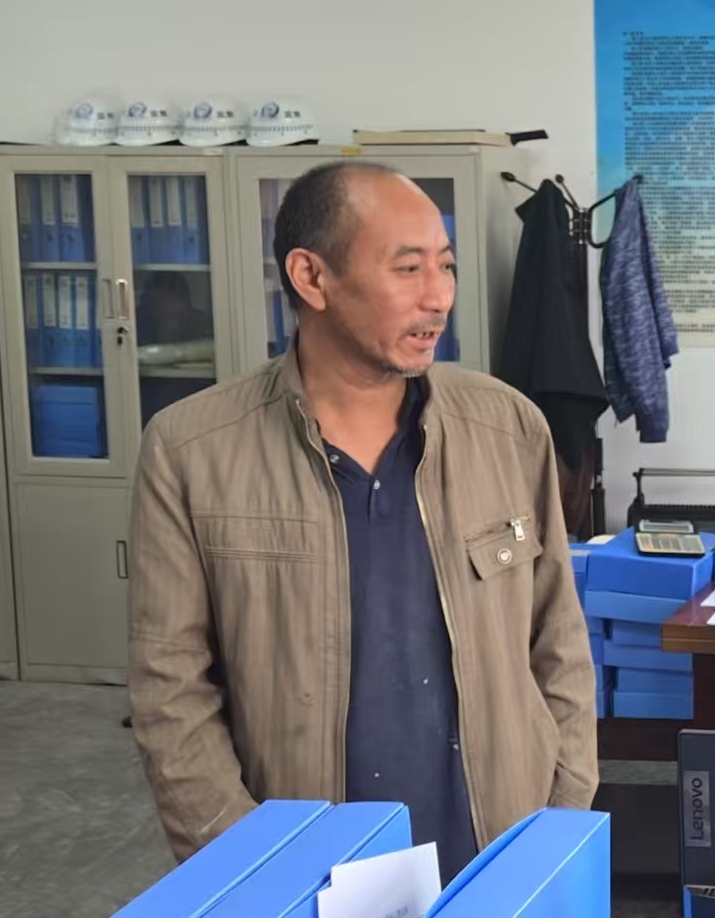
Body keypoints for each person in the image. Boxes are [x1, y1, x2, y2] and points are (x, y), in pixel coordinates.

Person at [128, 161, 597, 880]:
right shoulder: (193, 449)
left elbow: (558, 638)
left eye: (445, 265)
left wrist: (558, 819)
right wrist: (254, 869)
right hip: (302, 872)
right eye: (407, 269)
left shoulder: (508, 428)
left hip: (501, 855)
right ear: (311, 277)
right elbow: (170, 688)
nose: (438, 296)